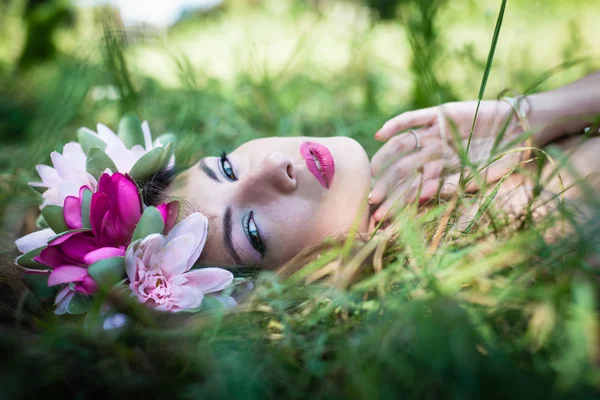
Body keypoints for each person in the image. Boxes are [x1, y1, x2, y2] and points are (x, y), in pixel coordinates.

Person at [162, 71, 600, 270]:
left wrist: (525, 117)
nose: (273, 166)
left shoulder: (461, 177)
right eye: (252, 231)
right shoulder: (532, 240)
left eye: (226, 166)